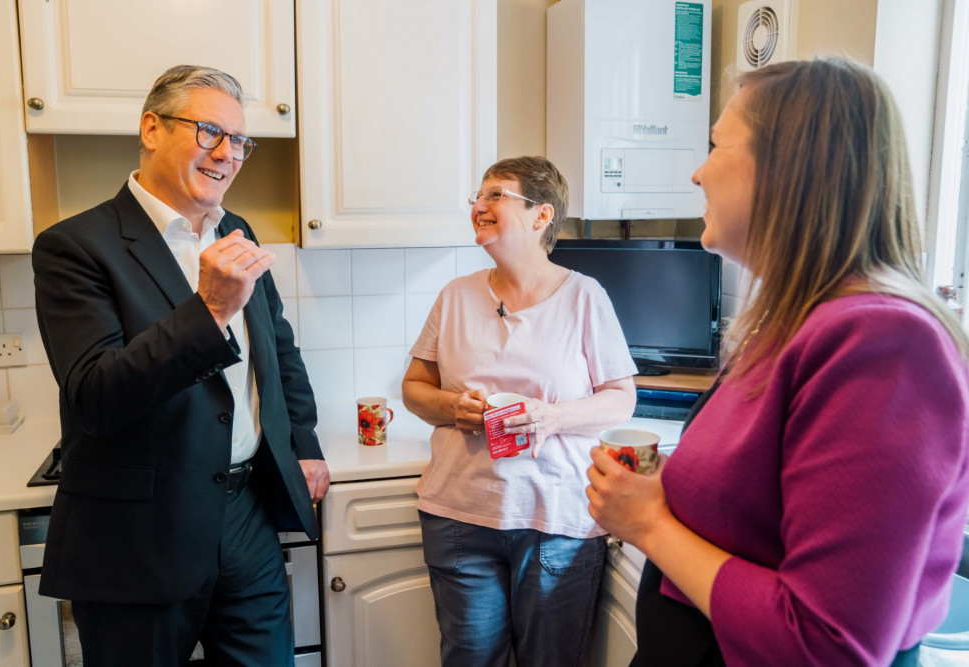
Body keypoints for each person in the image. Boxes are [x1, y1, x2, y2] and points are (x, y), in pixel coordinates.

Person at [586, 57, 969, 667]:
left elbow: (827, 643)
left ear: (789, 168)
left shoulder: (885, 344)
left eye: (715, 146)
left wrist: (651, 523)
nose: (697, 173)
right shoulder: (797, 321)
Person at [32, 65, 330, 666]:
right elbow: (97, 395)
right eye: (208, 132)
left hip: (247, 517)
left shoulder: (237, 229)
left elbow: (278, 349)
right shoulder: (74, 248)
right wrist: (211, 308)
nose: (228, 154)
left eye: (240, 141)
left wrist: (304, 442)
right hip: (139, 533)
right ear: (151, 128)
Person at [402, 155, 637, 666]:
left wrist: (552, 418)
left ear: (541, 215)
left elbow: (622, 397)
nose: (479, 206)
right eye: (478, 196)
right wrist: (452, 408)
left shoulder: (584, 297)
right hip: (461, 511)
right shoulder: (455, 296)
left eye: (495, 195)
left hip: (557, 518)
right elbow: (415, 389)